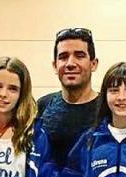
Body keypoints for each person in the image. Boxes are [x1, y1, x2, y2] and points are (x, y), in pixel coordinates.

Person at [37, 28, 100, 165]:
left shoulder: (107, 109)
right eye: (63, 57)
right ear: (55, 66)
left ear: (93, 64)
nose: (70, 63)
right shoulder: (42, 106)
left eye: (79, 56)